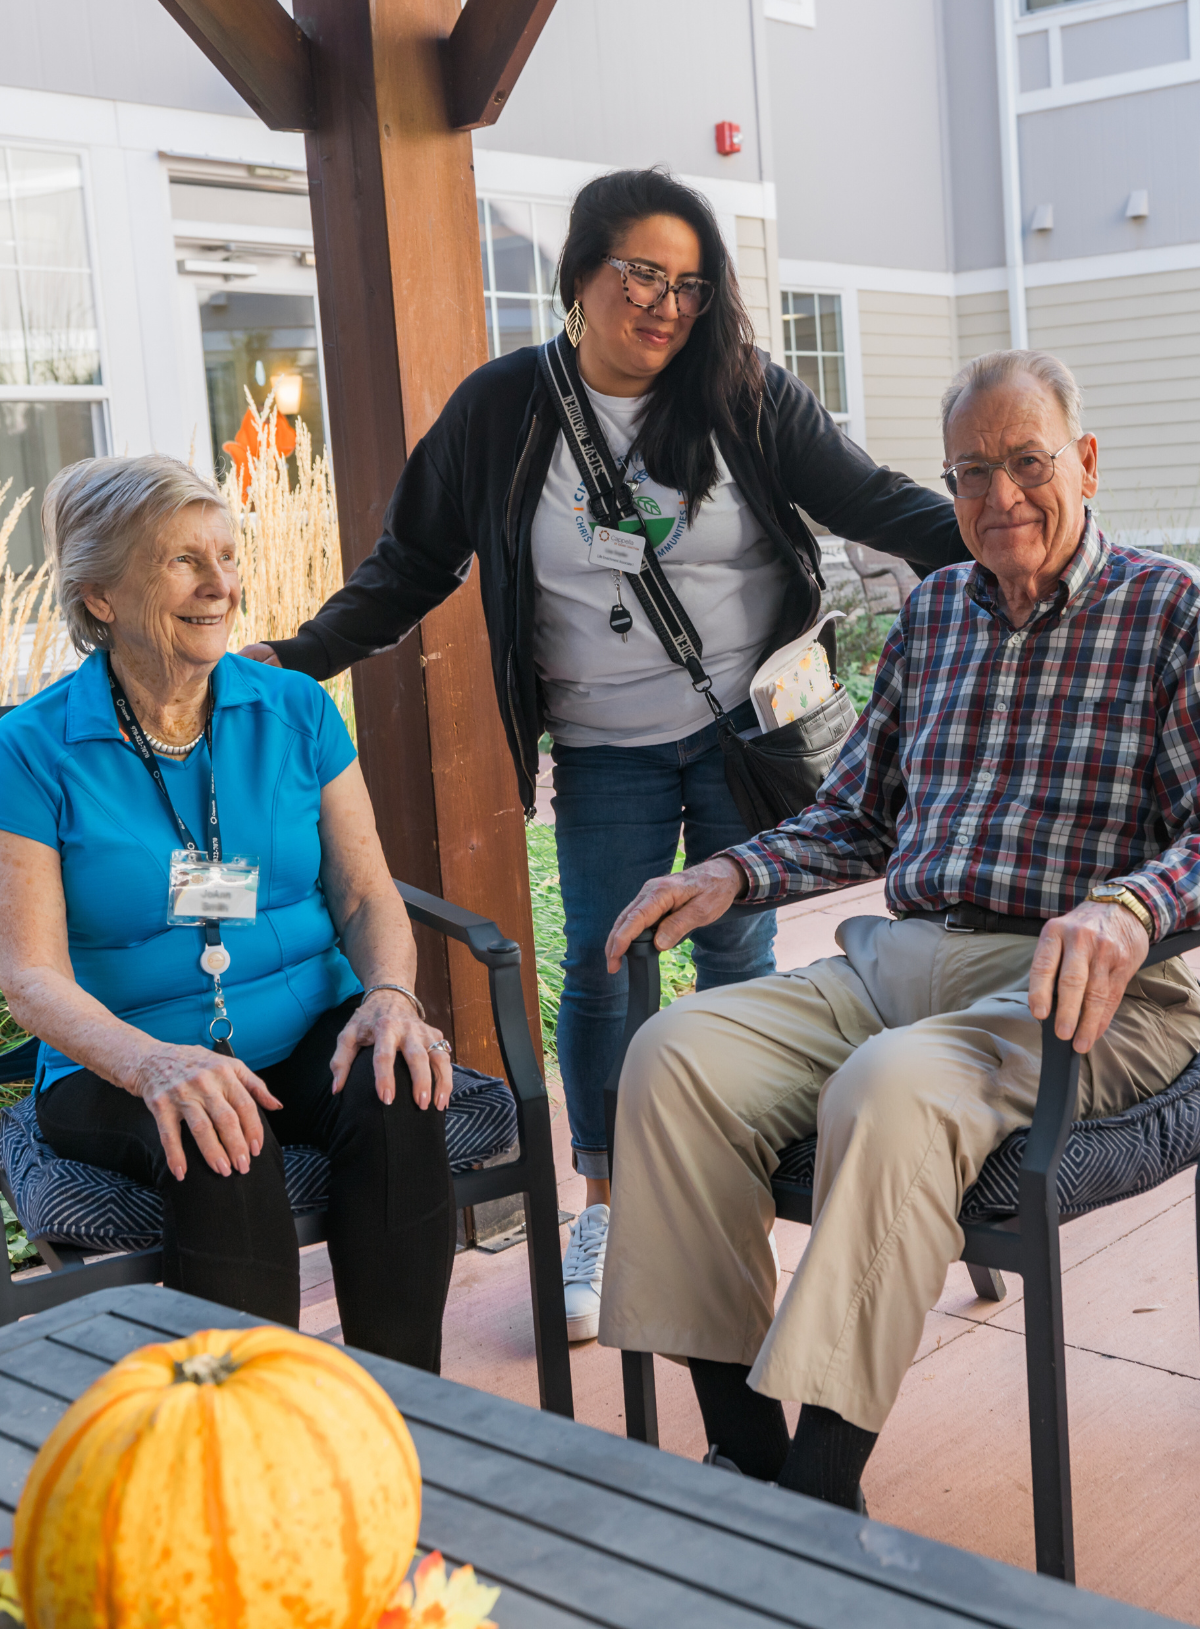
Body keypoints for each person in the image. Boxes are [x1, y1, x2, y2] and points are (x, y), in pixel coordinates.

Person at [240, 167, 968, 1342]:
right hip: (604, 744)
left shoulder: (745, 395)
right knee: (603, 960)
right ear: (578, 274)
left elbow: (875, 502)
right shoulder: (501, 411)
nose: (665, 305)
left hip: (749, 737)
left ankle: (740, 1195)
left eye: (689, 283)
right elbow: (413, 564)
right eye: (641, 274)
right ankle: (605, 1203)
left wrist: (1022, 548)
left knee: (737, 946)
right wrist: (303, 654)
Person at [600, 349, 1200, 1508]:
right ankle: (749, 1451)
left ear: (1083, 461)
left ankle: (821, 1494)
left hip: (1085, 989)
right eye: (970, 473)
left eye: (1027, 463)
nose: (999, 497)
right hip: (905, 962)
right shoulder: (933, 616)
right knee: (671, 1059)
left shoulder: (1171, 611)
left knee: (891, 1088)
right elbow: (856, 818)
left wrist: (1130, 905)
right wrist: (731, 871)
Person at [0, 455, 456, 1368]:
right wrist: (155, 1065)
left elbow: (366, 893)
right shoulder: (30, 748)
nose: (223, 586)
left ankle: (404, 1423)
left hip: (299, 1034)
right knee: (216, 1137)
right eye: (183, 562)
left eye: (227, 556)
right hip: (127, 1057)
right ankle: (253, 1456)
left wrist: (392, 997)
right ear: (99, 598)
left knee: (397, 1089)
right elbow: (29, 974)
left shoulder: (293, 710)